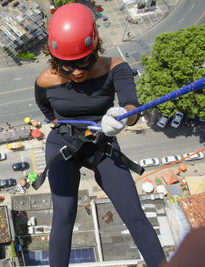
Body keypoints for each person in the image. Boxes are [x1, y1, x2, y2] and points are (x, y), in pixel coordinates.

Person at [32, 3, 165, 267]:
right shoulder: (46, 80)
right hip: (63, 143)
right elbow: (47, 111)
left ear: (95, 48)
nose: (78, 71)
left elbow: (132, 106)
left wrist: (122, 118)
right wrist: (65, 125)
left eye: (84, 61)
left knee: (134, 214)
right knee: (64, 214)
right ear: (54, 58)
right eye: (67, 66)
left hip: (102, 142)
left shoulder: (115, 69)